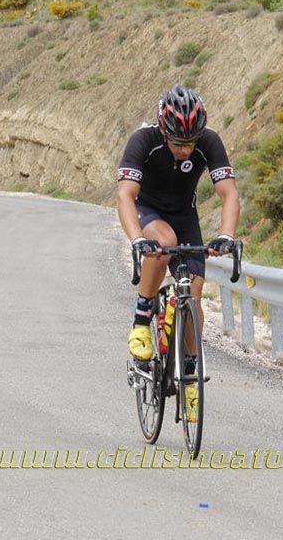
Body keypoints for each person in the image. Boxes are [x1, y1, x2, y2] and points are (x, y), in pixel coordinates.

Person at [115, 85, 240, 422]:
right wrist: (136, 239)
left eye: (191, 143)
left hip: (186, 216)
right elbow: (125, 195)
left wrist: (226, 235)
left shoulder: (209, 142)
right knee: (162, 244)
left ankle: (190, 375)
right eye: (178, 143)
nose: (186, 150)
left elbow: (228, 193)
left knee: (193, 298)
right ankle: (142, 320)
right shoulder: (144, 141)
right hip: (148, 210)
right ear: (163, 130)